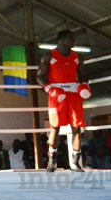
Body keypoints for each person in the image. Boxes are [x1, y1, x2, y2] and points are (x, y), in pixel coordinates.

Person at [37, 30, 91, 172]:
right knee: (55, 127)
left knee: (76, 128)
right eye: (71, 39)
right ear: (62, 40)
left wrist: (84, 85)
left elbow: (83, 75)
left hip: (74, 94)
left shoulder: (77, 57)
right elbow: (39, 76)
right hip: (57, 95)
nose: (74, 42)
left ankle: (75, 162)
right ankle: (51, 161)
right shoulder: (49, 56)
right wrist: (49, 89)